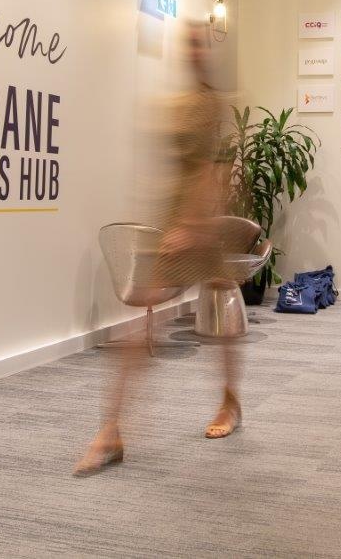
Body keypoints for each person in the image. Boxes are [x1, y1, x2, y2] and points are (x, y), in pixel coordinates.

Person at [74, 24, 239, 477]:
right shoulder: (176, 104)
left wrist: (194, 226)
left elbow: (209, 171)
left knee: (220, 315)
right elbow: (172, 168)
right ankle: (112, 431)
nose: (191, 52)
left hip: (198, 222)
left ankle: (228, 401)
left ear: (207, 52)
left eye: (198, 44)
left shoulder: (211, 104)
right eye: (186, 44)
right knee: (149, 318)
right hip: (174, 218)